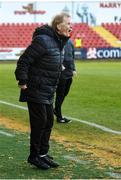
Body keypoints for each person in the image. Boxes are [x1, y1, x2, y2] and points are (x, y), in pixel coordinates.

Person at [15, 12, 72, 170]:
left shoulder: (59, 41)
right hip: (35, 88)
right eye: (68, 23)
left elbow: (50, 61)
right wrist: (22, 80)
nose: (70, 26)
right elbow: (24, 60)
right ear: (58, 26)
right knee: (39, 123)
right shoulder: (43, 40)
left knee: (48, 121)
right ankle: (34, 156)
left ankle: (42, 154)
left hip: (48, 89)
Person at [54, 39, 76, 123]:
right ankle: (59, 117)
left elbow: (72, 57)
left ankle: (56, 109)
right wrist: (60, 65)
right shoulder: (57, 41)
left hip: (69, 72)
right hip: (61, 72)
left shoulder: (70, 42)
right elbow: (54, 55)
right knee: (60, 94)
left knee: (65, 93)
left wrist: (74, 69)